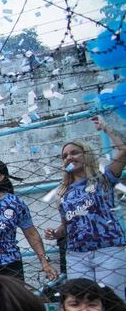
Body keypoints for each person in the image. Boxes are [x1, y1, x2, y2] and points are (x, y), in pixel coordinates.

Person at [45, 116, 126, 299]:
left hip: (108, 251)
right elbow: (67, 225)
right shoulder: (63, 192)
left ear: (86, 155)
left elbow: (124, 151)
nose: (69, 158)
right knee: (82, 302)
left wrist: (106, 128)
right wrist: (56, 233)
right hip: (76, 256)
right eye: (65, 156)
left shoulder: (103, 179)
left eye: (74, 153)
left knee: (112, 303)